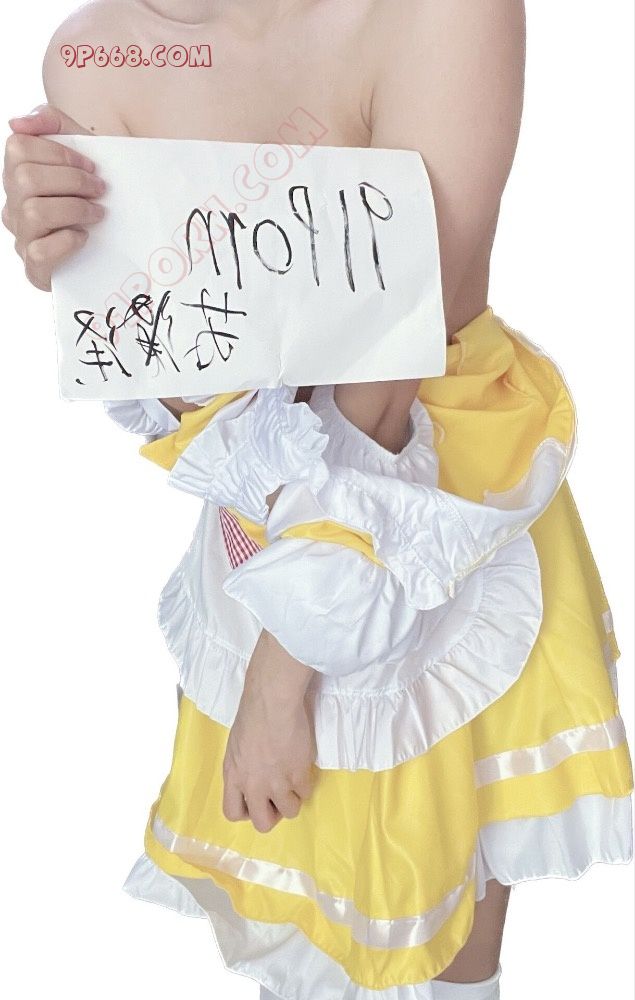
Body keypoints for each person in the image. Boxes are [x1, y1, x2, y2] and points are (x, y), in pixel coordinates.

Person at [2, 2, 633, 998]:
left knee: (443, 933)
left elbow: (398, 345)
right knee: (306, 931)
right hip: (259, 520)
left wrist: (279, 675)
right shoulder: (97, 55)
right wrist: (80, 256)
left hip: (433, 518)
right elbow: (185, 371)